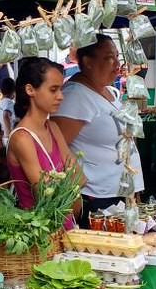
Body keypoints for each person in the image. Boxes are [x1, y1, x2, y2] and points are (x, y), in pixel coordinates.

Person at [53, 34, 143, 225]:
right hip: (97, 198)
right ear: (87, 61)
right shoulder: (75, 95)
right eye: (109, 57)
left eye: (117, 57)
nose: (117, 64)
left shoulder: (108, 90)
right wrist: (76, 187)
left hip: (119, 192)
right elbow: (57, 146)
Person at [7, 58, 78, 229]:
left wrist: (69, 184)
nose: (60, 96)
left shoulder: (52, 127)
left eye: (61, 89)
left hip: (65, 227)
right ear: (30, 90)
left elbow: (77, 177)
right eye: (53, 90)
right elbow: (46, 194)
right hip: (39, 233)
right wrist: (70, 184)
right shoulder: (21, 137)